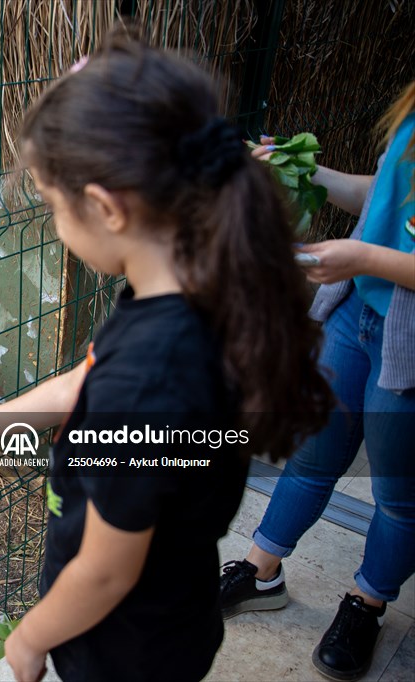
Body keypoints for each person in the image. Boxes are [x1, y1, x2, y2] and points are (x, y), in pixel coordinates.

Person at [0, 29, 335, 682]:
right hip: (175, 610)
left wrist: (30, 640)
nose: (59, 230)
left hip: (123, 650)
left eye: (54, 209)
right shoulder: (195, 291)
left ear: (104, 207)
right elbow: (86, 378)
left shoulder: (148, 383)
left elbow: (104, 571)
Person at [219, 81, 415, 682]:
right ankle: (262, 571)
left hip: (408, 336)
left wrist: (362, 259)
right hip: (355, 310)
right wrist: (312, 171)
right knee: (313, 452)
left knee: (398, 494)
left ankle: (367, 602)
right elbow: (382, 197)